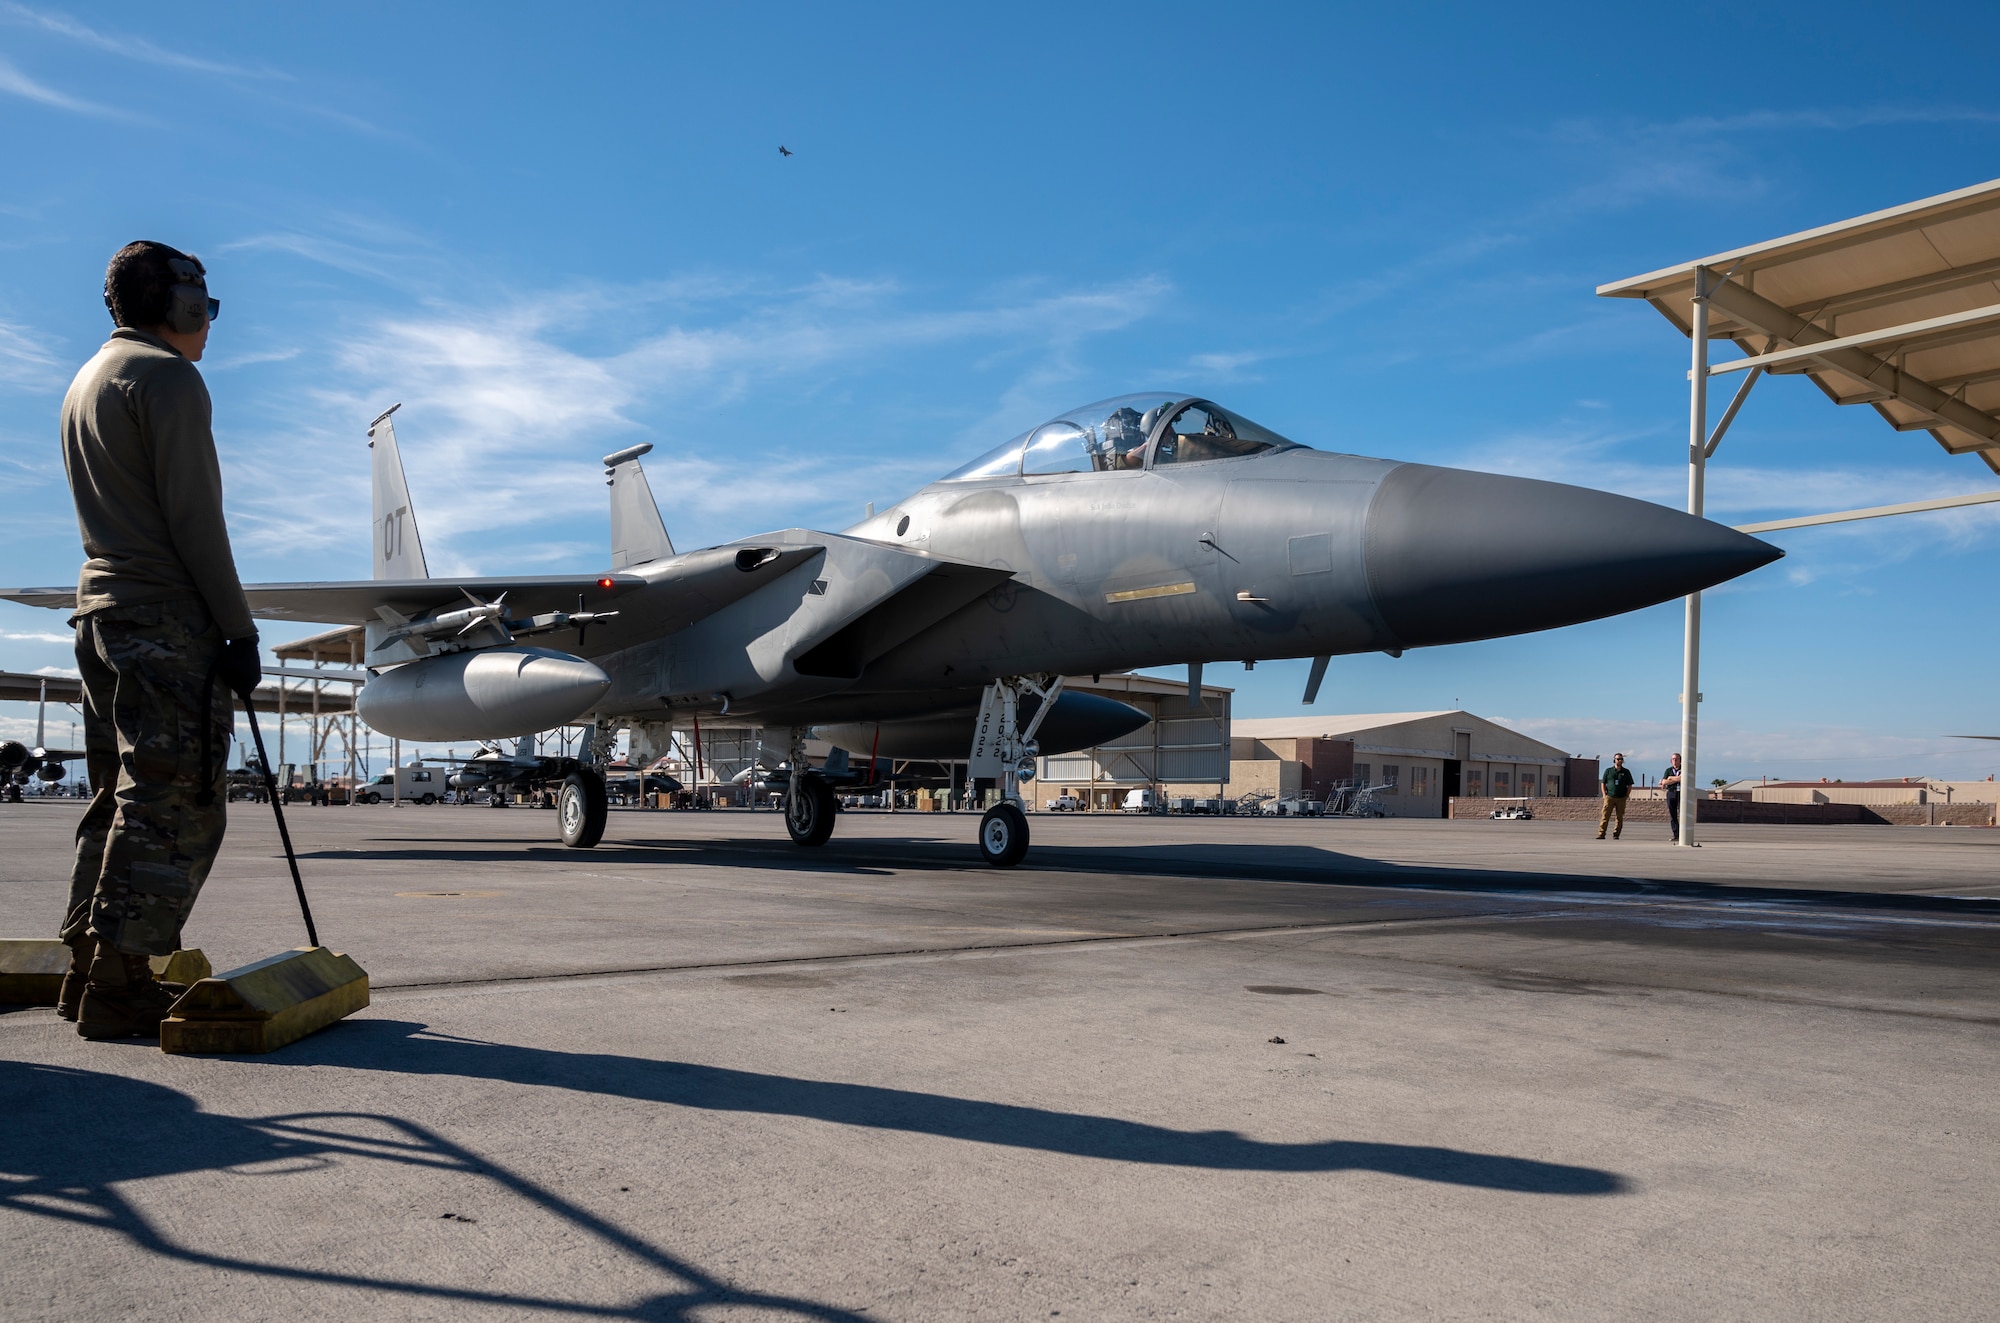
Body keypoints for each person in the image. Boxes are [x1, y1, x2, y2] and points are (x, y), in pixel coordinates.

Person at [57, 241, 263, 1041]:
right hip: (164, 618)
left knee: (120, 795)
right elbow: (196, 522)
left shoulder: (89, 378)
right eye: (204, 307)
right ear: (174, 304)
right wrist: (237, 628)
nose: (209, 324)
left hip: (100, 612)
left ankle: (87, 965)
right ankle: (120, 978)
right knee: (177, 800)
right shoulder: (170, 378)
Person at [1596, 753, 1633, 840]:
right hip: (1610, 797)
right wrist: (1604, 794)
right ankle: (1601, 833)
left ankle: (1616, 834)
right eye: (1617, 759)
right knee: (1605, 815)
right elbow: (1603, 783)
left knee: (1619, 817)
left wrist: (1627, 795)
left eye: (1621, 759)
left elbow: (1630, 784)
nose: (1619, 761)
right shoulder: (1608, 771)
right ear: (1614, 760)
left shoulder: (1626, 772)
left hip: (1621, 798)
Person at [1662, 752, 1684, 841]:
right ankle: (1676, 834)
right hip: (1671, 793)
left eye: (1676, 759)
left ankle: (1683, 834)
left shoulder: (1683, 769)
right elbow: (1664, 782)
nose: (1675, 761)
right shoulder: (1668, 770)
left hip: (1681, 793)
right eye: (1673, 759)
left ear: (1680, 760)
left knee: (1682, 814)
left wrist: (1671, 778)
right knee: (1673, 815)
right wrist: (1674, 779)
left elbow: (1682, 778)